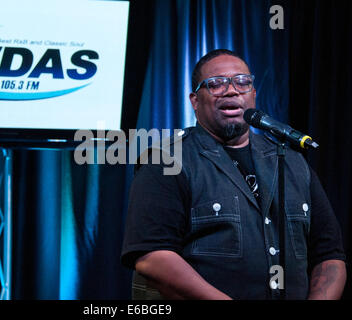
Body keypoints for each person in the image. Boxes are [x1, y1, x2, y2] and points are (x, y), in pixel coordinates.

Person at [121, 49, 347, 300]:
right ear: (195, 101)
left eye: (242, 82)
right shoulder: (167, 161)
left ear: (253, 94)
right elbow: (152, 256)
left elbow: (330, 255)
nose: (231, 90)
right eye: (216, 84)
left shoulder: (291, 161)